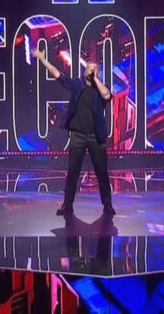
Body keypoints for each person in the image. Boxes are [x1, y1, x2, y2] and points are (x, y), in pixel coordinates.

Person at [31, 48, 116, 216]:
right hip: (77, 136)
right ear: (84, 72)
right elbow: (58, 75)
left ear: (98, 73)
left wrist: (96, 79)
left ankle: (107, 205)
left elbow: (107, 96)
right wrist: (42, 59)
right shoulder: (77, 85)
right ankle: (67, 205)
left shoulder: (101, 89)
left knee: (102, 173)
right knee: (72, 173)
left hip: (96, 137)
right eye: (88, 69)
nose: (90, 71)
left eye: (93, 69)